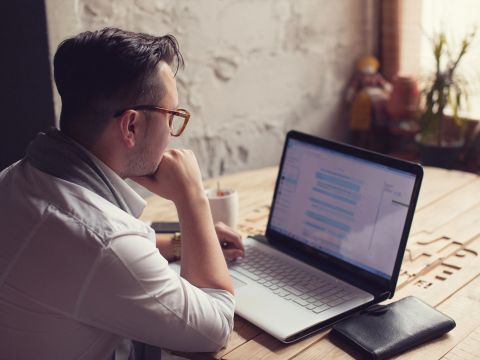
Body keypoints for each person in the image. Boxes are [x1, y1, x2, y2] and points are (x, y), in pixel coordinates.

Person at [0, 27, 244, 359]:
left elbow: (87, 255)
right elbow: (215, 328)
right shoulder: (104, 240)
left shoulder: (18, 178)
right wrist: (192, 198)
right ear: (131, 126)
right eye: (172, 116)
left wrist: (182, 243)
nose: (173, 134)